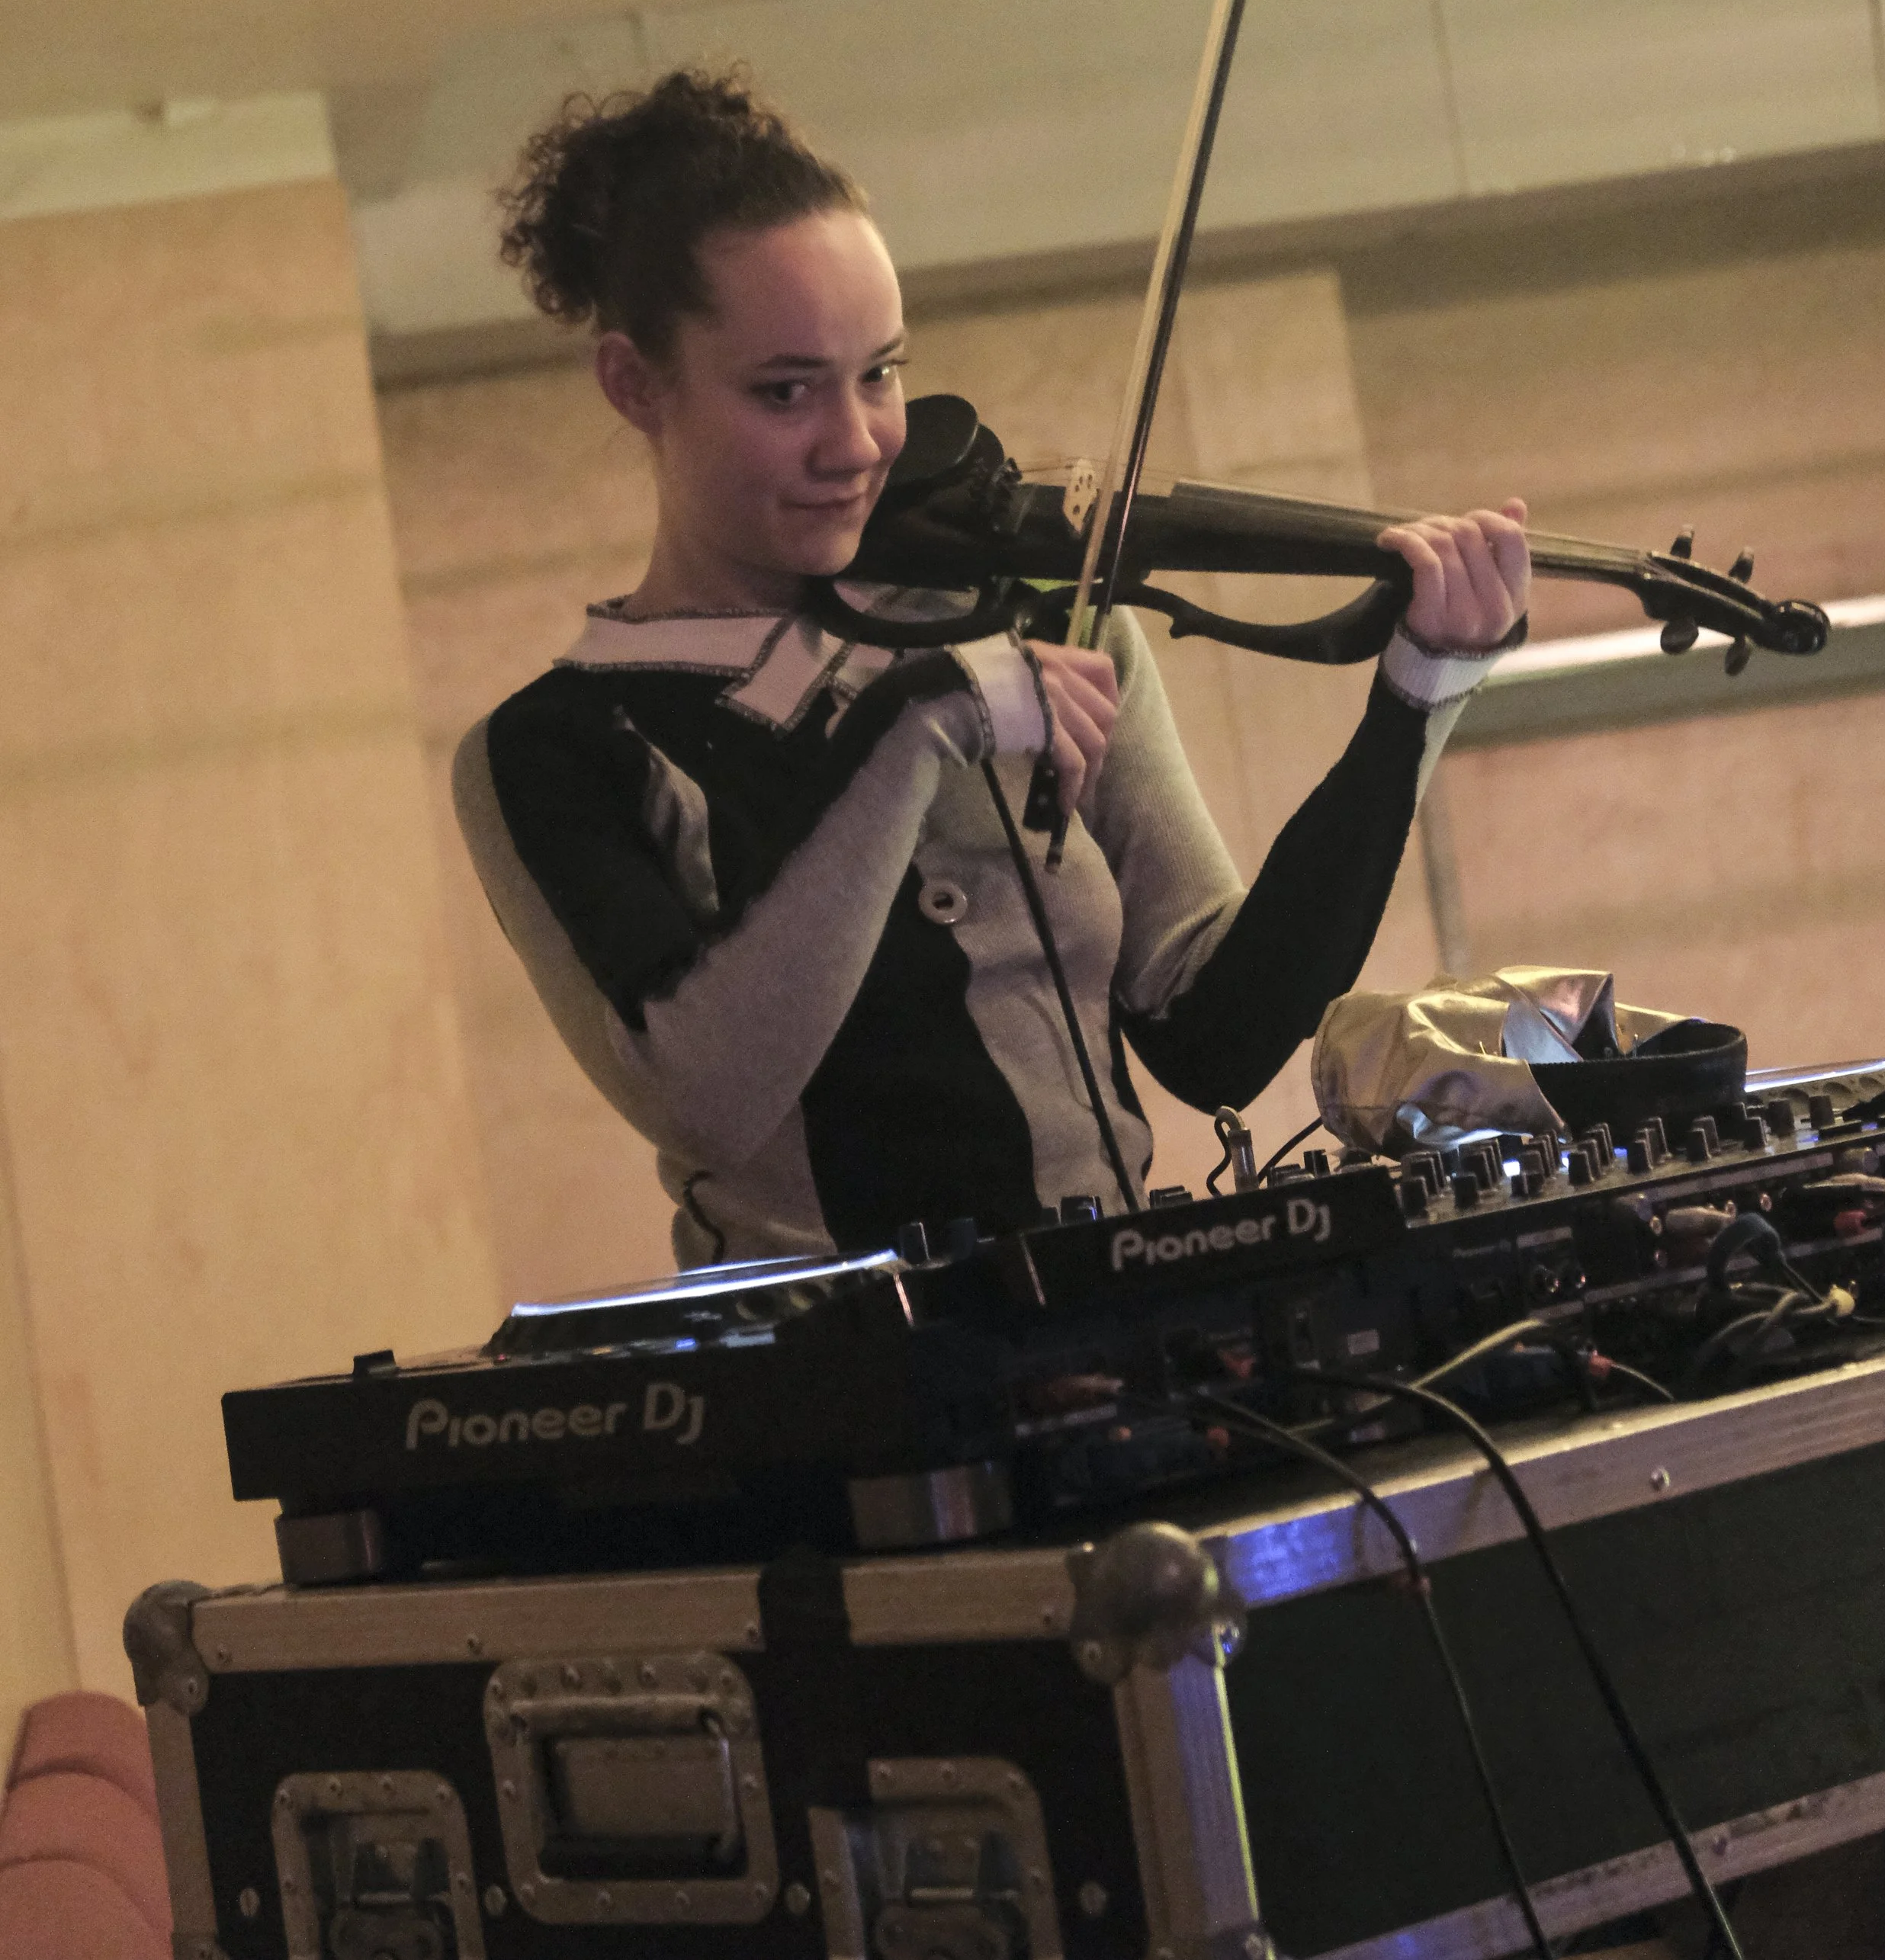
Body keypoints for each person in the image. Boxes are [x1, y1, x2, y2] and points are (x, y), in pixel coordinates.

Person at [454, 69, 1531, 1267]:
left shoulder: (1025, 630)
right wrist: (914, 737)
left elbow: (1217, 1034)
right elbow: (706, 1098)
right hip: (853, 1389)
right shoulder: (561, 745)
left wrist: (1418, 699)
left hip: (1129, 1320)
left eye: (881, 372)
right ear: (634, 383)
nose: (857, 442)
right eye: (784, 391)